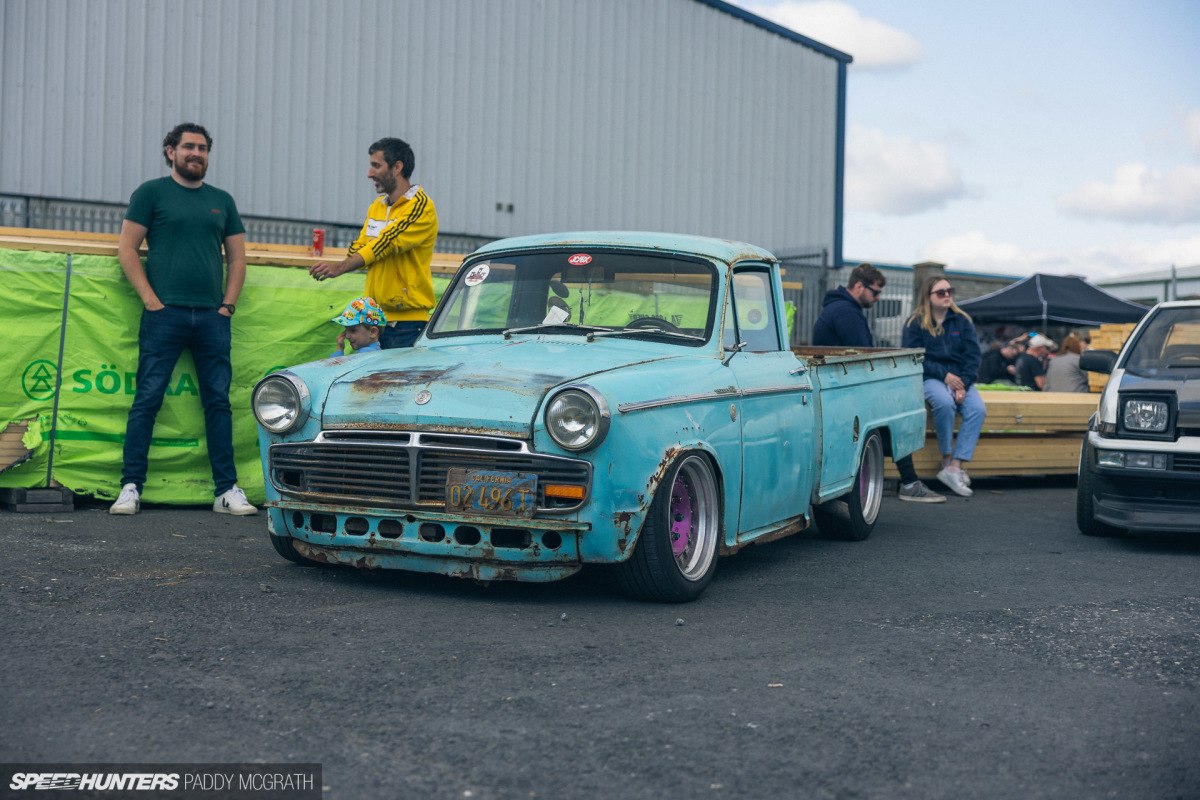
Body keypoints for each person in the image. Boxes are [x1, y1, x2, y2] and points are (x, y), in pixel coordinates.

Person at [109, 123, 257, 516]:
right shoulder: (151, 193)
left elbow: (238, 259)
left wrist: (227, 306)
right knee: (147, 400)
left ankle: (226, 490)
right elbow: (127, 249)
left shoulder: (221, 200)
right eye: (188, 146)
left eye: (203, 148)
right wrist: (151, 301)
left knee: (218, 404)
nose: (196, 153)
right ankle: (130, 487)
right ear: (170, 151)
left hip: (212, 317)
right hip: (164, 315)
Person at [813, 264, 945, 503]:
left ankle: (909, 481)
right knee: (898, 411)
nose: (878, 297)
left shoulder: (840, 308)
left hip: (839, 387)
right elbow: (865, 355)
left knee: (894, 411)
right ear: (859, 286)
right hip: (844, 391)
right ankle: (909, 482)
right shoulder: (847, 312)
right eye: (875, 292)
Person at [309, 138, 438, 349]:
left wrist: (340, 267)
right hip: (375, 322)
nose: (369, 173)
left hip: (407, 324)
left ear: (397, 167)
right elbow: (359, 248)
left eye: (376, 166)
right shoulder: (376, 207)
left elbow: (384, 244)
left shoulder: (421, 207)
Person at [901, 277, 987, 498]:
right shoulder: (915, 323)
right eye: (941, 292)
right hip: (931, 377)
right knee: (943, 402)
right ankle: (947, 457)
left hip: (960, 379)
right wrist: (945, 376)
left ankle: (954, 467)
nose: (947, 295)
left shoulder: (962, 321)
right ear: (927, 296)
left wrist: (963, 384)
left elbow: (973, 357)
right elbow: (915, 357)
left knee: (977, 409)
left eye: (950, 291)